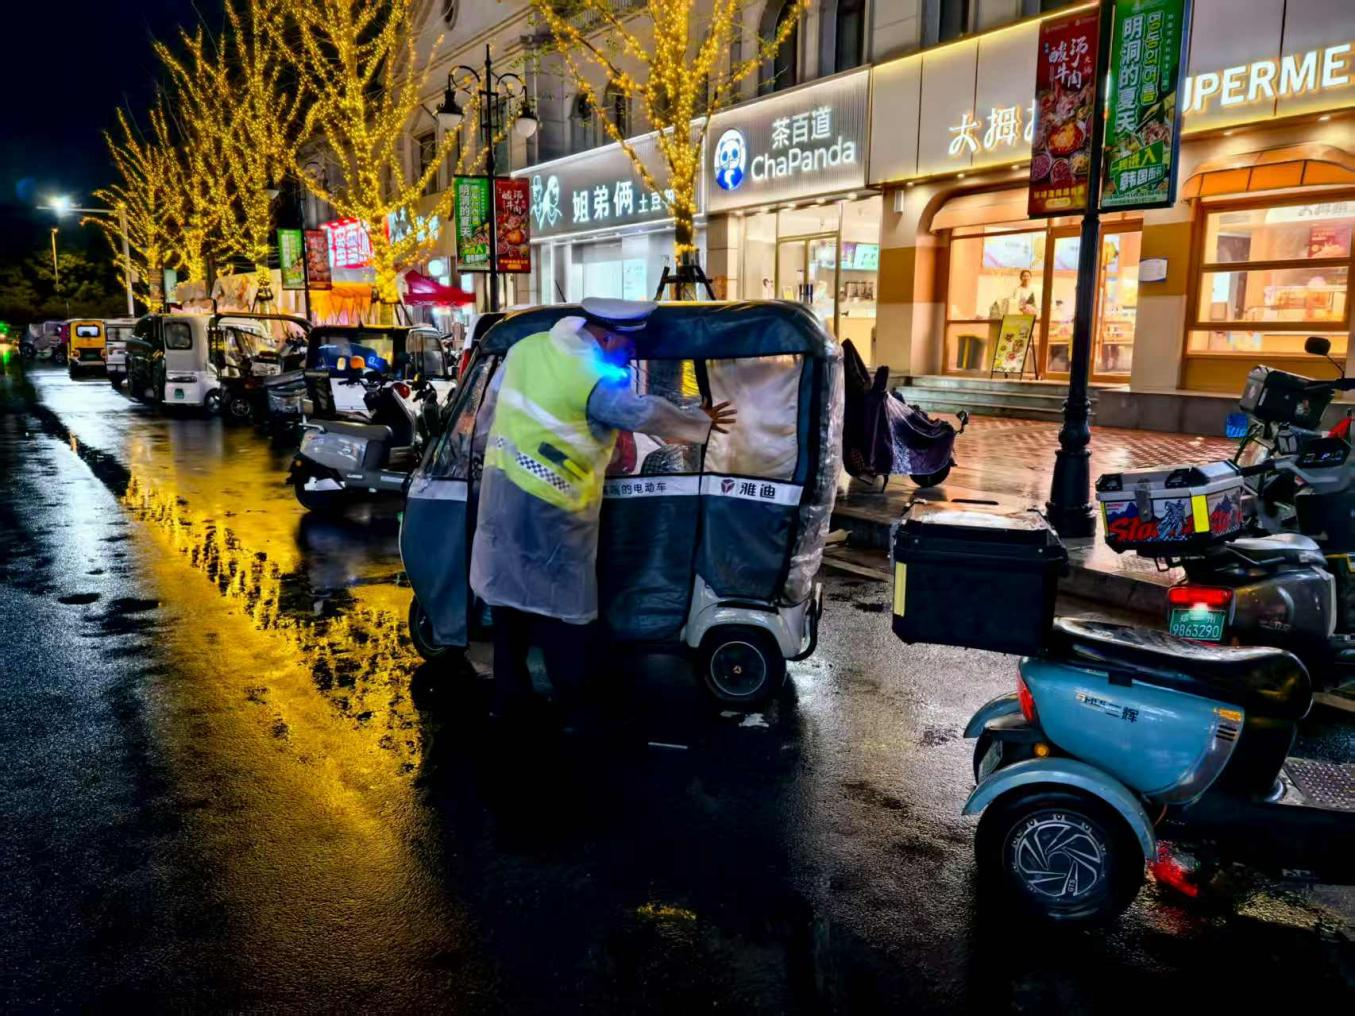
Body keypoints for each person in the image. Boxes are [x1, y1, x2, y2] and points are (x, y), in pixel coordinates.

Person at [469, 297, 737, 731]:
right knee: (564, 612)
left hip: (501, 498)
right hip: (550, 510)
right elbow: (639, 412)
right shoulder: (590, 375)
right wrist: (698, 422)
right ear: (609, 336)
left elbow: (486, 419)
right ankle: (577, 711)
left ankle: (509, 700)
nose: (629, 358)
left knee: (508, 607)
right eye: (628, 349)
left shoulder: (527, 348)